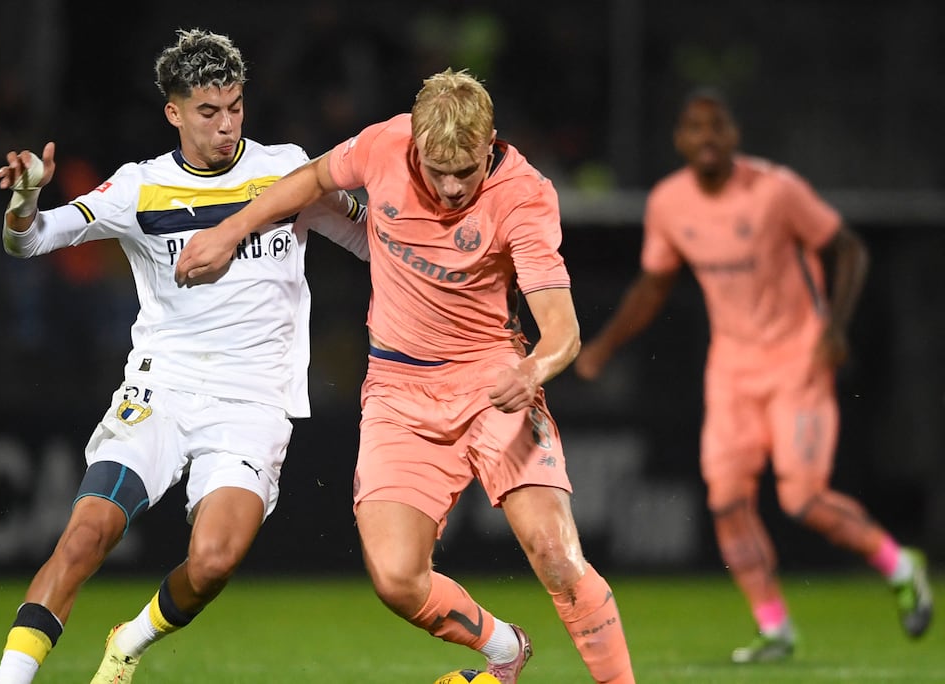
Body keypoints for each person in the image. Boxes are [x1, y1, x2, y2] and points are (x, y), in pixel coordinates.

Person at [177, 68, 634, 684]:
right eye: (437, 170)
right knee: (395, 578)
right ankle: (505, 650)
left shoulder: (524, 196)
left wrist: (534, 370)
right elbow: (313, 178)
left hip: (493, 382)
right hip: (397, 392)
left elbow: (564, 332)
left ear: (491, 142)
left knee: (555, 554)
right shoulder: (383, 145)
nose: (451, 187)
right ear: (415, 144)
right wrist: (229, 231)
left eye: (465, 171)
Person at [0, 29, 368, 684]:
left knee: (213, 562)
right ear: (174, 111)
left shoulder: (287, 171)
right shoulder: (141, 188)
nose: (226, 126)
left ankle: (130, 641)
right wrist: (26, 198)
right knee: (85, 537)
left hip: (252, 402)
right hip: (161, 390)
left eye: (236, 108)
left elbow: (371, 242)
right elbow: (30, 242)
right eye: (208, 111)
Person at [574, 88, 934, 663]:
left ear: (734, 135)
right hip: (732, 371)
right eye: (695, 128)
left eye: (717, 126)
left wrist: (834, 327)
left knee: (803, 498)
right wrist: (605, 346)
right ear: (680, 139)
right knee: (726, 500)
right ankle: (774, 626)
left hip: (798, 362)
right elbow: (654, 284)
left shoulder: (775, 190)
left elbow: (850, 251)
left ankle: (899, 563)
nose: (707, 137)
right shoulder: (669, 203)